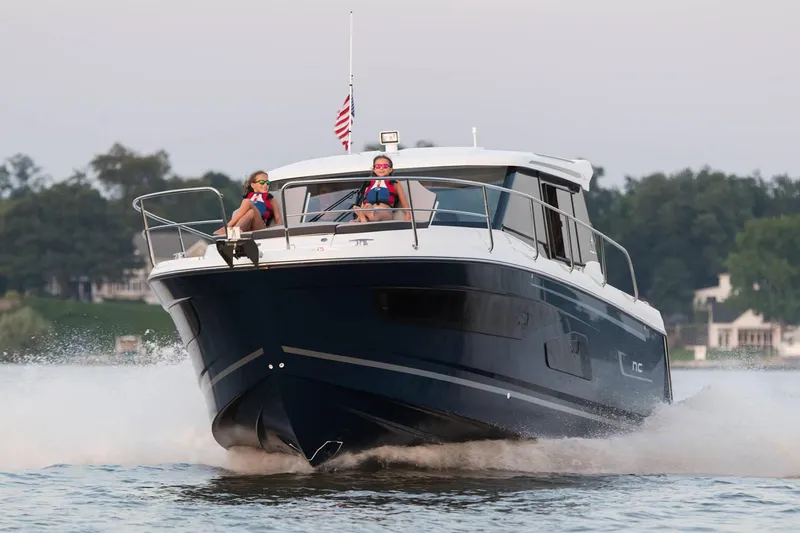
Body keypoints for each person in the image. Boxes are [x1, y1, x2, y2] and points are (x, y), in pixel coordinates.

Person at [214, 171, 282, 234]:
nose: (265, 185)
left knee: (247, 202)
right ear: (253, 185)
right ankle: (234, 233)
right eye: (262, 182)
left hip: (260, 226)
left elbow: (279, 221)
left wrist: (271, 231)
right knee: (250, 212)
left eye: (267, 182)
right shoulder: (250, 197)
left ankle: (227, 227)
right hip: (247, 226)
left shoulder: (271, 200)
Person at [352, 155, 412, 223]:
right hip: (370, 208)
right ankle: (364, 216)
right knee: (367, 207)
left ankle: (366, 216)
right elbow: (364, 202)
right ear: (374, 169)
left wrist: (407, 214)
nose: (381, 168)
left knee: (376, 213)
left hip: (385, 211)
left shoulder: (394, 183)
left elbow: (403, 200)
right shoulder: (369, 185)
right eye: (378, 166)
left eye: (385, 166)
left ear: (390, 169)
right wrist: (357, 218)